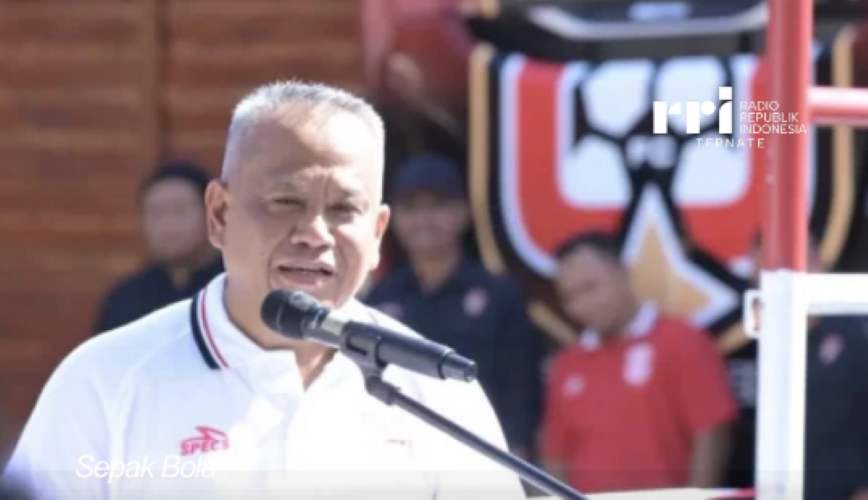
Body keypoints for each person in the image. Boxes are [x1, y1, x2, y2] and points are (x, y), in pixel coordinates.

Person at [5, 82, 523, 499]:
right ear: (219, 214)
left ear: (377, 233)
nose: (315, 234)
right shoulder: (104, 381)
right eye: (285, 201)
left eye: (344, 209)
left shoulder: (435, 392)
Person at [364, 154, 543, 460]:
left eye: (437, 206)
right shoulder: (380, 298)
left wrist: (515, 458)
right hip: (399, 455)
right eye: (411, 208)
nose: (424, 220)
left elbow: (520, 391)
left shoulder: (499, 295)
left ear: (463, 212)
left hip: (481, 452)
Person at [542, 231, 737, 494]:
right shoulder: (567, 363)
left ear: (622, 272)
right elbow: (556, 454)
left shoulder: (681, 340)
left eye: (590, 287)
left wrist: (697, 497)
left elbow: (712, 432)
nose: (581, 305)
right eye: (569, 297)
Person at [749, 234, 868, 500]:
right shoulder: (752, 345)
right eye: (765, 271)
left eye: (789, 265)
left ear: (818, 263)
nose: (777, 282)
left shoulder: (858, 334)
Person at [93, 161, 224, 333]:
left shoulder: (235, 290)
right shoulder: (126, 299)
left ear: (212, 214)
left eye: (179, 211)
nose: (168, 226)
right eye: (156, 213)